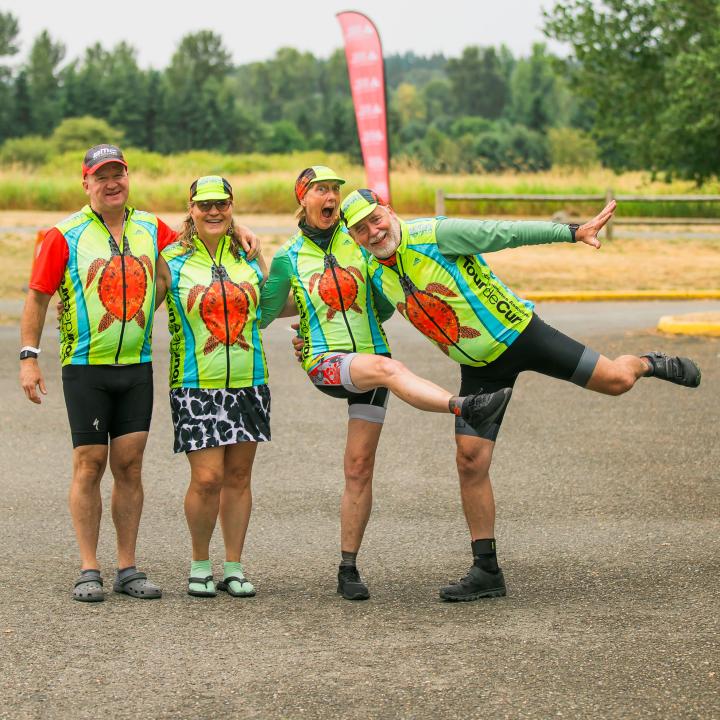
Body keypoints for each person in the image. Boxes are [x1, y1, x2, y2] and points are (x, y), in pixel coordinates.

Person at [340, 187, 702, 602]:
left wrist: (572, 232)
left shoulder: (436, 235)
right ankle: (486, 570)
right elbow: (375, 311)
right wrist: (316, 335)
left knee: (616, 382)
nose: (373, 231)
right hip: (480, 369)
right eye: (361, 228)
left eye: (376, 219)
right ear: (353, 236)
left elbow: (504, 232)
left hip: (523, 334)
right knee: (469, 461)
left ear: (388, 210)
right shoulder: (373, 269)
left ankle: (646, 362)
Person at [19, 145, 259, 602]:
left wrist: (239, 225)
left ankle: (127, 567)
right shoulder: (63, 234)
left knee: (129, 466)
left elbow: (200, 234)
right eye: (101, 176)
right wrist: (28, 357)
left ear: (127, 178)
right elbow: (37, 296)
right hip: (85, 368)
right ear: (85, 182)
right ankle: (89, 567)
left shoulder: (151, 227)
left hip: (137, 367)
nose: (112, 183)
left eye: (119, 175)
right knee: (89, 465)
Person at [260, 166, 508, 600]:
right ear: (303, 199)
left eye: (335, 189)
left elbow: (384, 306)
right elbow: (263, 311)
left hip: (370, 361)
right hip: (328, 363)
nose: (331, 196)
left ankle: (347, 570)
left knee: (358, 468)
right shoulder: (288, 257)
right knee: (391, 371)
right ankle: (463, 406)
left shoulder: (358, 243)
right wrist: (301, 319)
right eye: (321, 190)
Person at [155, 176, 268, 598]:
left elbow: (275, 302)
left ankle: (234, 566)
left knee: (238, 476)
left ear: (232, 205)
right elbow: (141, 307)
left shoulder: (249, 252)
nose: (214, 211)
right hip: (195, 385)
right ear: (191, 209)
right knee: (207, 478)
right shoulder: (171, 258)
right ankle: (200, 563)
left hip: (250, 380)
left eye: (221, 204)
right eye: (205, 205)